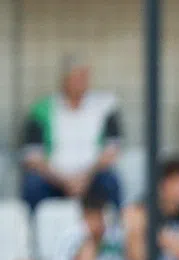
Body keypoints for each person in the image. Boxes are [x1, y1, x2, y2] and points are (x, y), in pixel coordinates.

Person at [19, 55, 123, 211]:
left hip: (92, 177)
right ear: (64, 80)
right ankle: (32, 232)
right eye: (76, 77)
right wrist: (64, 181)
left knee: (111, 181)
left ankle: (115, 231)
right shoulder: (42, 110)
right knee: (32, 184)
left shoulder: (105, 107)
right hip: (54, 179)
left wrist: (85, 178)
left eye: (84, 77)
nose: (81, 82)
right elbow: (32, 157)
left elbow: (112, 151)